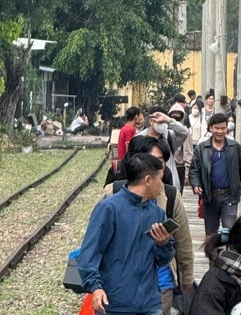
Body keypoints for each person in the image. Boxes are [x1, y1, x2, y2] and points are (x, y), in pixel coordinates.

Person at [78, 153, 175, 315]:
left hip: (149, 303)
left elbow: (163, 260)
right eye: (160, 179)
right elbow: (89, 253)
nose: (162, 185)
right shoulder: (109, 209)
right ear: (148, 180)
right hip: (115, 304)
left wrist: (163, 244)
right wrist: (95, 287)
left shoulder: (157, 214)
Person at [189, 113, 241, 235]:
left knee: (229, 229)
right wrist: (196, 185)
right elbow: (194, 170)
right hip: (210, 196)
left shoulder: (235, 147)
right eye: (217, 128)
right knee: (211, 232)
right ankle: (213, 254)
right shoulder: (201, 148)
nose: (220, 131)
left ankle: (227, 253)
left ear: (227, 128)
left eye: (223, 128)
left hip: (229, 196)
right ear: (210, 128)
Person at [139, 106, 189, 191]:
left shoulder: (170, 137)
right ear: (151, 121)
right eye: (158, 122)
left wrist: (169, 120)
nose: (161, 124)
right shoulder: (140, 138)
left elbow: (184, 132)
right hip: (146, 186)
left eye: (163, 122)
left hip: (169, 185)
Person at [168, 103, 193, 194]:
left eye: (178, 113)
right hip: (166, 165)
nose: (175, 115)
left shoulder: (185, 131)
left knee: (177, 193)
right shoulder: (165, 130)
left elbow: (188, 151)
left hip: (179, 166)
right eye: (173, 113)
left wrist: (187, 169)